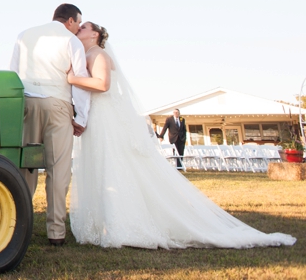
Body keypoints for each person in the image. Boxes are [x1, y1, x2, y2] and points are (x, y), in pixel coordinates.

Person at [66, 22, 295, 248]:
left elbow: (102, 84)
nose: (80, 30)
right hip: (100, 116)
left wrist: (71, 79)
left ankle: (123, 224)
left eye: (84, 27)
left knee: (113, 166)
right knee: (105, 165)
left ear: (95, 34)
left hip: (107, 117)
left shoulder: (97, 54)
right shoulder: (90, 53)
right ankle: (108, 221)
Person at [9, 3, 92, 246]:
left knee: (26, 168)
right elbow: (80, 81)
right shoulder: (71, 41)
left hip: (27, 104)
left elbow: (13, 73)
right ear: (69, 21)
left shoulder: (24, 35)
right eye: (77, 23)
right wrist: (81, 117)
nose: (77, 28)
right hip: (57, 104)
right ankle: (56, 232)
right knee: (58, 170)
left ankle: (17, 227)